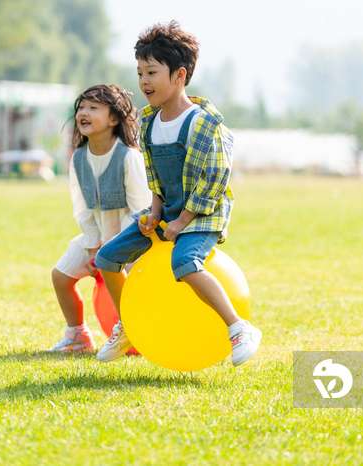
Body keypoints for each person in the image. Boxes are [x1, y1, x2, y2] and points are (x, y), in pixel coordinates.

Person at [93, 21, 263, 366]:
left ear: (179, 75)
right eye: (140, 72)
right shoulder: (149, 122)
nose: (143, 82)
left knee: (184, 263)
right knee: (107, 258)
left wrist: (184, 219)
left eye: (152, 72)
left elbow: (215, 178)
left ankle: (239, 327)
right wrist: (155, 212)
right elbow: (156, 176)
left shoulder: (203, 123)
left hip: (202, 216)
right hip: (167, 213)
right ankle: (128, 324)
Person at [47, 84, 150, 353]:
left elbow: (141, 210)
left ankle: (139, 335)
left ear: (114, 119)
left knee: (132, 293)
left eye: (94, 107)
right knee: (60, 276)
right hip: (97, 239)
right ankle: (78, 335)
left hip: (134, 243)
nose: (84, 112)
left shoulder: (129, 157)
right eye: (81, 107)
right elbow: (82, 208)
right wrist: (94, 247)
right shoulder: (79, 158)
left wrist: (112, 250)